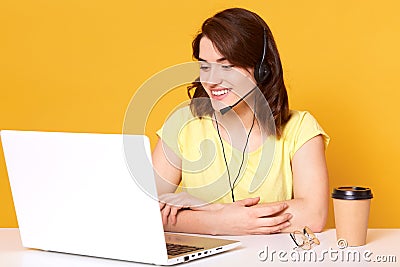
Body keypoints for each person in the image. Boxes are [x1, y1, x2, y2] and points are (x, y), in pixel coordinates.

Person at [152, 7, 330, 235]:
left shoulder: (301, 128)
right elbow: (144, 211)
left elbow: (312, 215)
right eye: (205, 66)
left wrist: (210, 213)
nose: (212, 80)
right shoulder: (183, 124)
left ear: (262, 69)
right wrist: (218, 220)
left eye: (226, 66)